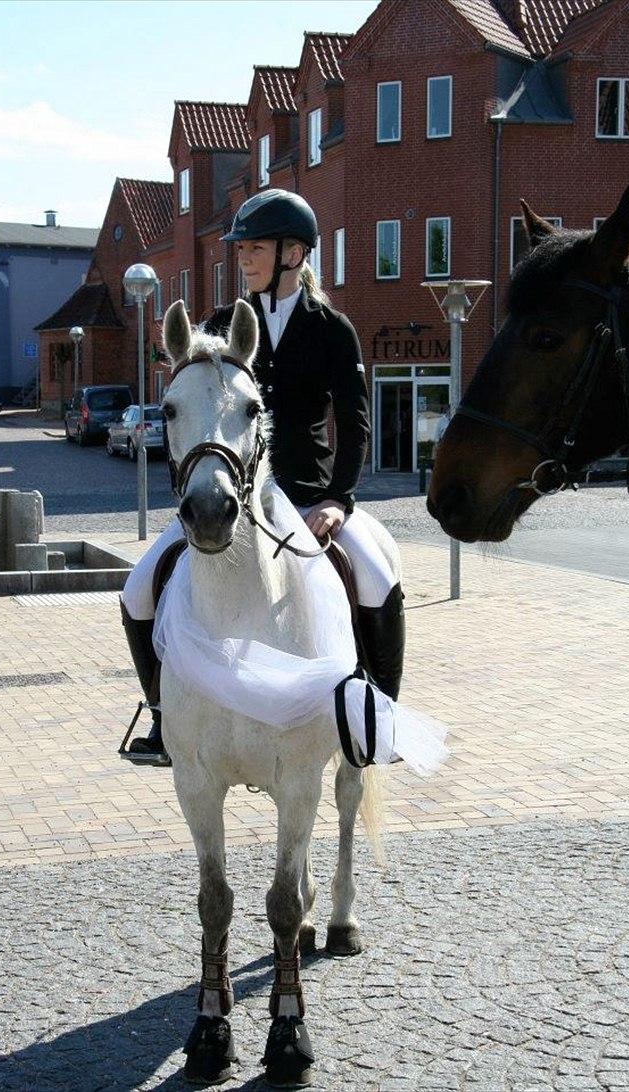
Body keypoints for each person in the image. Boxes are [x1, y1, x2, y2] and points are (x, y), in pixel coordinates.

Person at [120, 189, 405, 762]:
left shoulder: (332, 328)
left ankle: (376, 716)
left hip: (308, 497)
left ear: (294, 253)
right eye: (241, 248)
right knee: (136, 590)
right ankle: (162, 718)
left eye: (254, 248)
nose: (243, 258)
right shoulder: (222, 326)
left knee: (375, 576)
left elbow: (354, 423)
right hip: (232, 497)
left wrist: (340, 501)